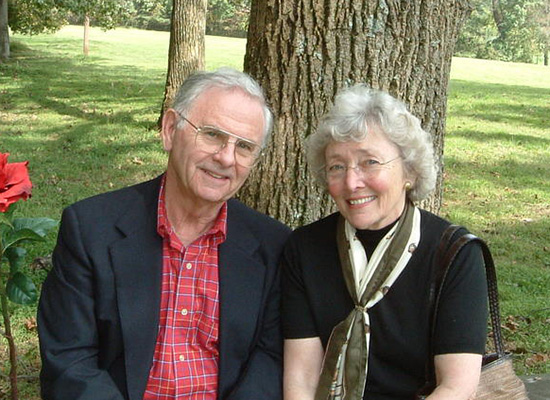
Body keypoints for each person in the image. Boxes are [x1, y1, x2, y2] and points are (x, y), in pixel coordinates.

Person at [38, 67, 291, 400]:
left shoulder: (273, 246)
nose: (226, 158)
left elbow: (270, 361)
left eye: (244, 147)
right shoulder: (91, 229)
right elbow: (70, 362)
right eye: (213, 134)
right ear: (170, 129)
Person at [281, 85, 488, 400]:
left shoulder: (454, 255)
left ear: (409, 170)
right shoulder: (305, 248)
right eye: (337, 166)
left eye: (370, 163)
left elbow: (456, 387)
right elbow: (302, 379)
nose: (352, 182)